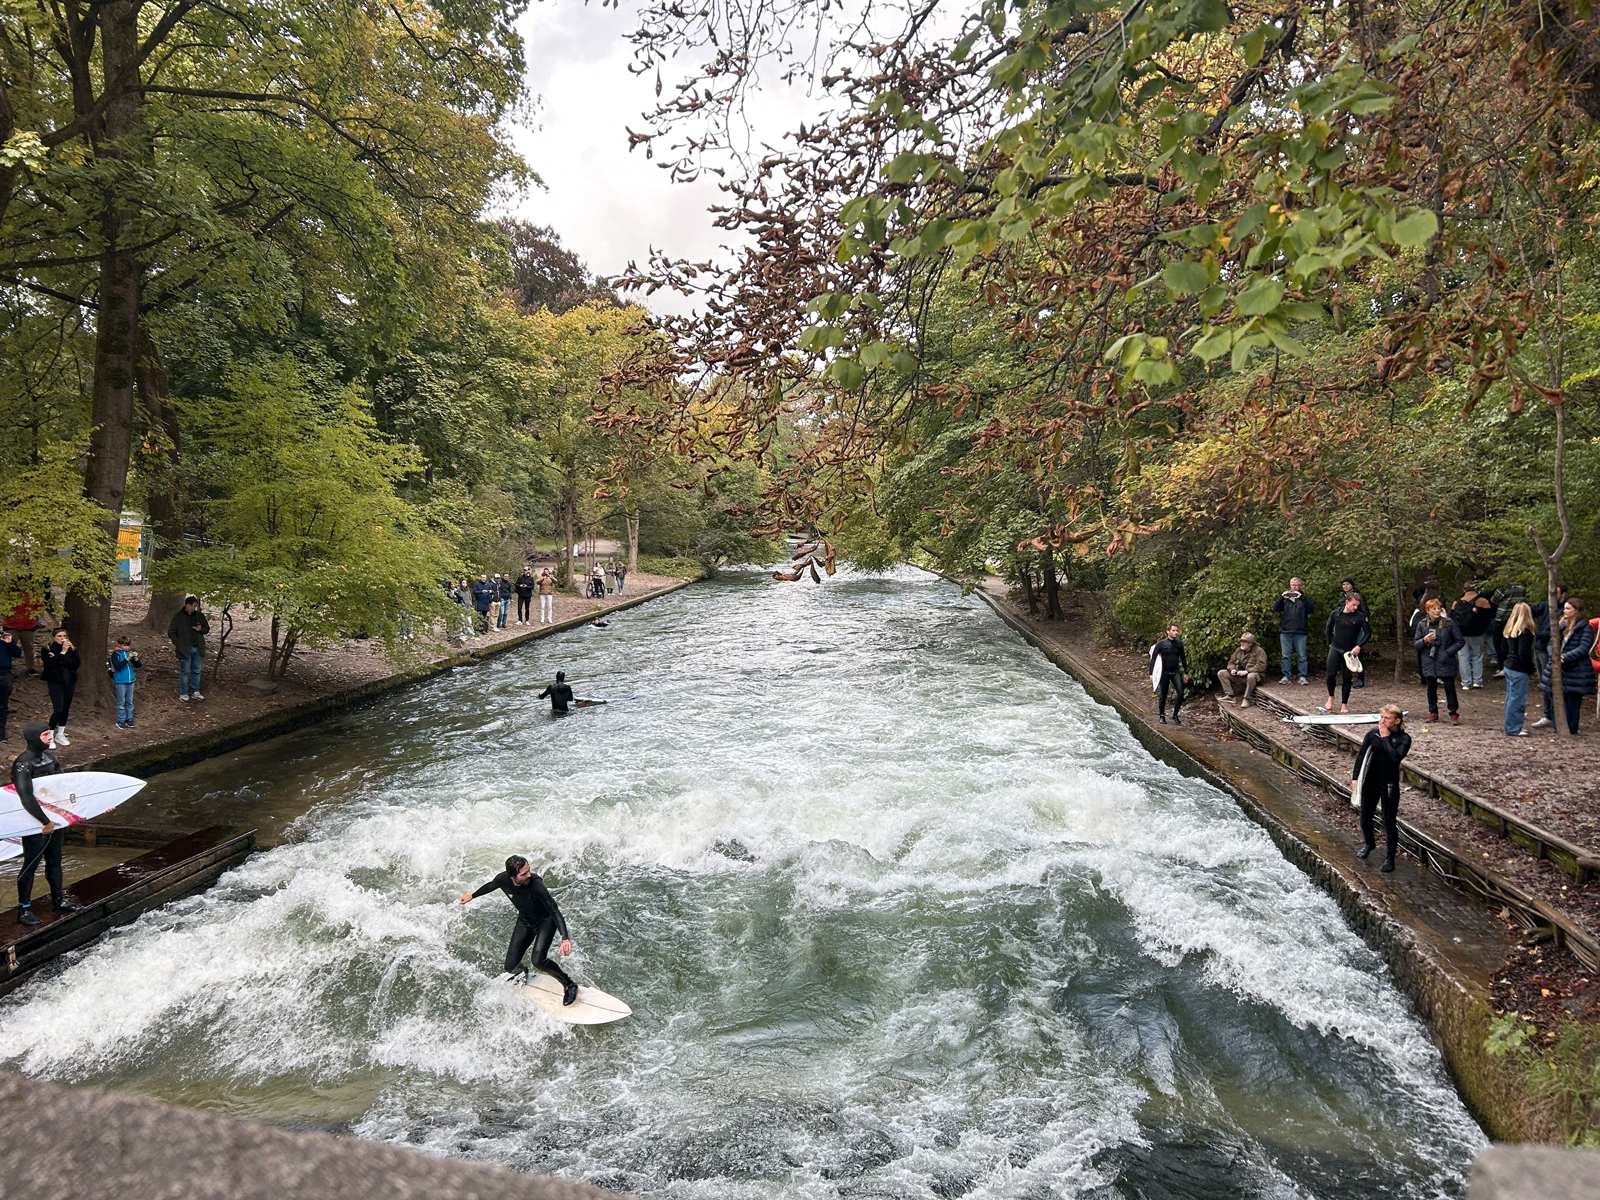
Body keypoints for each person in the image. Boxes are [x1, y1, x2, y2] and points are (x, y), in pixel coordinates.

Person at [459, 854, 579, 1005]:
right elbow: (491, 885)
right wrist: (472, 895)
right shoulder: (502, 879)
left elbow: (554, 911)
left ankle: (569, 984)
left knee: (538, 960)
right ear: (512, 877)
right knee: (510, 966)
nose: (529, 875)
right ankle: (522, 973)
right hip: (525, 921)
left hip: (545, 921)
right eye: (524, 874)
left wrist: (565, 938)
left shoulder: (536, 884)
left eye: (528, 870)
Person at [11, 721, 82, 925]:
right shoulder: (23, 763)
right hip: (35, 821)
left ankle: (58, 900)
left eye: (49, 734)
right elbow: (26, 797)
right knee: (31, 864)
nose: (50, 737)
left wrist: (89, 808)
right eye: (45, 735)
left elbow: (64, 788)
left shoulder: (50, 758)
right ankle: (23, 909)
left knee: (55, 861)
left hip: (54, 820)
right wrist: (44, 821)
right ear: (33, 738)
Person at [1351, 704, 1412, 873]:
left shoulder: (1404, 739)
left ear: (1397, 721)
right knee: (1364, 818)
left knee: (1389, 821)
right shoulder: (1372, 734)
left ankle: (1390, 858)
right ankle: (1370, 843)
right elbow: (1362, 755)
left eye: (1387, 718)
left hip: (1389, 783)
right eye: (1381, 717)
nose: (1382, 721)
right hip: (1371, 781)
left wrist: (1385, 738)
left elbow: (1395, 759)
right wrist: (1355, 778)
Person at [1540, 598, 1596, 735]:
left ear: (1577, 610)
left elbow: (1584, 648)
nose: (1565, 611)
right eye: (1564, 608)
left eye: (1568, 609)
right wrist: (1554, 656)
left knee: (1572, 702)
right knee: (1555, 699)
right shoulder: (1560, 626)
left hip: (1576, 669)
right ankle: (1557, 727)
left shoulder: (1585, 627)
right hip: (1558, 666)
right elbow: (1550, 643)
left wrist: (1564, 657)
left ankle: (1570, 730)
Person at [1318, 593, 1370, 715]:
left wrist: (1359, 646)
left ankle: (1344, 704)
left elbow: (1368, 633)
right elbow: (1328, 628)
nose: (1355, 608)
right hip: (1336, 647)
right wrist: (1329, 642)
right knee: (1330, 675)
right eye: (1353, 605)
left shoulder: (1360, 617)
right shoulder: (1336, 614)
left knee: (1347, 678)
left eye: (1357, 605)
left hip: (1350, 650)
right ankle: (1331, 696)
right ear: (1347, 602)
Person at [1414, 596, 1463, 723]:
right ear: (1427, 611)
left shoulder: (1449, 624)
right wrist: (1425, 641)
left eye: (1438, 608)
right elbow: (1416, 644)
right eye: (1433, 609)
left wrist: (1448, 652)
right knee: (1431, 688)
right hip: (1429, 660)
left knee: (1449, 687)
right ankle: (1433, 711)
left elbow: (1460, 641)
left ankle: (1453, 713)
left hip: (1445, 660)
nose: (1437, 611)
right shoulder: (1422, 625)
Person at [1530, 583, 1569, 729]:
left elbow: (1557, 631)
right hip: (1539, 648)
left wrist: (1540, 634)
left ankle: (1554, 714)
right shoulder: (1547, 605)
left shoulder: (1565, 609)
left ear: (1562, 595)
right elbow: (1533, 610)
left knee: (1551, 682)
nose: (1551, 596)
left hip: (1550, 649)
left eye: (1555, 593)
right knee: (1543, 682)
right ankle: (1547, 714)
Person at [1501, 602, 1536, 737]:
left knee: (1511, 698)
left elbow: (1503, 649)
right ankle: (1513, 728)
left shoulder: (1509, 630)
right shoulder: (1525, 631)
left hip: (1509, 665)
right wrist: (1529, 668)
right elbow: (1524, 653)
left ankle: (1510, 726)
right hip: (1518, 669)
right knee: (1518, 700)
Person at [39, 628, 79, 747]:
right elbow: (50, 664)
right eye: (59, 636)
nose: (62, 638)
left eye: (64, 636)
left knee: (66, 708)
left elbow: (76, 664)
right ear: (54, 637)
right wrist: (61, 654)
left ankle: (60, 734)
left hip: (69, 681)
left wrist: (60, 658)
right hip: (55, 682)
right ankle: (49, 735)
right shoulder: (47, 649)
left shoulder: (72, 649)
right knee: (58, 709)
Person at [1450, 584, 1494, 689]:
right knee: (1477, 656)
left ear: (1463, 589)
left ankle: (1465, 682)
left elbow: (1451, 618)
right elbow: (1489, 617)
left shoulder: (1457, 603)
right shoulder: (1483, 601)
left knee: (1463, 656)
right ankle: (1477, 681)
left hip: (1462, 633)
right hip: (1477, 632)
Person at [1272, 578, 1315, 685]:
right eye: (1292, 585)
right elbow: (1276, 608)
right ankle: (1286, 676)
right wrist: (1281, 597)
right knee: (1285, 655)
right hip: (1286, 631)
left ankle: (1302, 676)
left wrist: (1302, 598)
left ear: (1300, 586)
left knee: (1302, 656)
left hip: (1301, 631)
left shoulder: (1305, 599)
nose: (1294, 587)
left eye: (1296, 585)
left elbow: (1311, 609)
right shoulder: (1286, 599)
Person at [167, 595, 209, 701]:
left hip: (198, 648)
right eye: (191, 605)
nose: (193, 607)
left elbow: (207, 628)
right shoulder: (178, 617)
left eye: (195, 606)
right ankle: (184, 693)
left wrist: (201, 629)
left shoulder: (199, 616)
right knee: (185, 672)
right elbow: (171, 632)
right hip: (185, 649)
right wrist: (179, 644)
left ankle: (195, 691)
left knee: (197, 671)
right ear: (186, 605)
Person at [1149, 624, 1189, 725]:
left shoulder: (1179, 644)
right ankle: (1162, 715)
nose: (1176, 632)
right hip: (1164, 672)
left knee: (1180, 692)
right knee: (1164, 693)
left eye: (1176, 631)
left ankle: (1175, 715)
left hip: (1175, 671)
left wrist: (1186, 672)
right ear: (1168, 631)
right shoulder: (1161, 644)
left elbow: (1183, 658)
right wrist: (1151, 673)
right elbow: (1153, 659)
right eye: (1173, 630)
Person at [1216, 632, 1268, 707]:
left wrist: (1247, 671)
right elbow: (1231, 662)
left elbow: (1261, 666)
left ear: (1250, 643)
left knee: (1251, 676)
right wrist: (1232, 670)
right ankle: (1230, 696)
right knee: (1221, 673)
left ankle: (1246, 699)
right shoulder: (1238, 650)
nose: (1242, 643)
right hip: (1240, 675)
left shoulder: (1259, 651)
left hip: (1254, 677)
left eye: (1244, 641)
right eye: (1241, 641)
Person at [1489, 580, 1527, 674]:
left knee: (1498, 642)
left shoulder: (1503, 587)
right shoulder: (1522, 587)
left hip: (1502, 618)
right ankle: (1513, 663)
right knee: (1512, 642)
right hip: (1516, 617)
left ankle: (1502, 665)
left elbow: (1493, 600)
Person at [4, 593, 43, 675]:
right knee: (6, 647)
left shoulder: (34, 592)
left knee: (29, 648)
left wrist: (32, 616)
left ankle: (30, 669)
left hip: (28, 626)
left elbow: (40, 606)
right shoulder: (8, 592)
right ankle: (6, 669)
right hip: (11, 625)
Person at [110, 635, 142, 730]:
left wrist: (135, 658)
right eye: (125, 645)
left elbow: (138, 665)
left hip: (130, 680)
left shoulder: (129, 653)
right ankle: (121, 720)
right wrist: (127, 658)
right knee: (121, 702)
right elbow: (118, 666)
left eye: (128, 645)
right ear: (120, 645)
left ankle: (129, 718)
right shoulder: (115, 655)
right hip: (120, 681)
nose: (127, 647)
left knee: (129, 701)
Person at [0, 626, 21, 741]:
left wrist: (10, 643)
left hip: (4, 676)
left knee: (3, 707)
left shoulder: (5, 643)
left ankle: (1, 735)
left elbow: (17, 654)